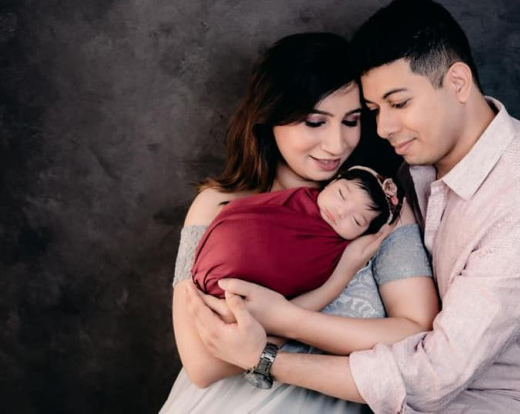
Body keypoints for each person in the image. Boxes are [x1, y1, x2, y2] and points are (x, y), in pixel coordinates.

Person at [186, 0, 520, 412]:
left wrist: (271, 347)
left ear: (458, 83)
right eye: (374, 110)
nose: (383, 128)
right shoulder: (406, 172)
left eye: (399, 103)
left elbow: (433, 372)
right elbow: (202, 362)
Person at [161, 32, 439, 413]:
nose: (337, 144)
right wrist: (322, 293)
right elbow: (202, 365)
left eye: (351, 121)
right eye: (314, 122)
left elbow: (417, 335)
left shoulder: (376, 213)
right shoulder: (217, 205)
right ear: (271, 116)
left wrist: (281, 320)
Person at [192, 166, 403, 299]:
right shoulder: (297, 198)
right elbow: (246, 212)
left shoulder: (336, 252)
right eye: (341, 194)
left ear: (363, 234)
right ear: (333, 182)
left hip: (243, 299)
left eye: (357, 220)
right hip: (213, 261)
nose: (341, 212)